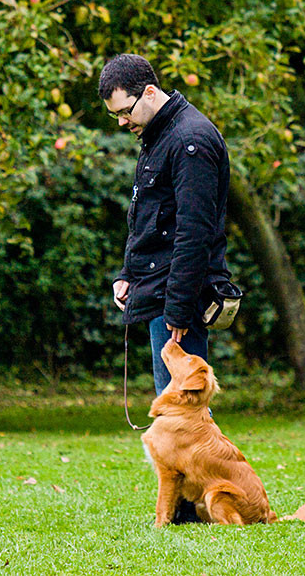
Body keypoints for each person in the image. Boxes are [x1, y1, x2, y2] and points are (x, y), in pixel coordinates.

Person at [98, 53, 232, 395]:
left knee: (184, 408)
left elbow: (194, 233)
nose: (122, 123)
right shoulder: (159, 135)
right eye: (115, 116)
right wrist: (128, 273)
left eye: (125, 112)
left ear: (150, 92)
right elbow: (145, 215)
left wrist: (178, 309)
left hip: (178, 298)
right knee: (174, 406)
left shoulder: (191, 141)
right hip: (159, 288)